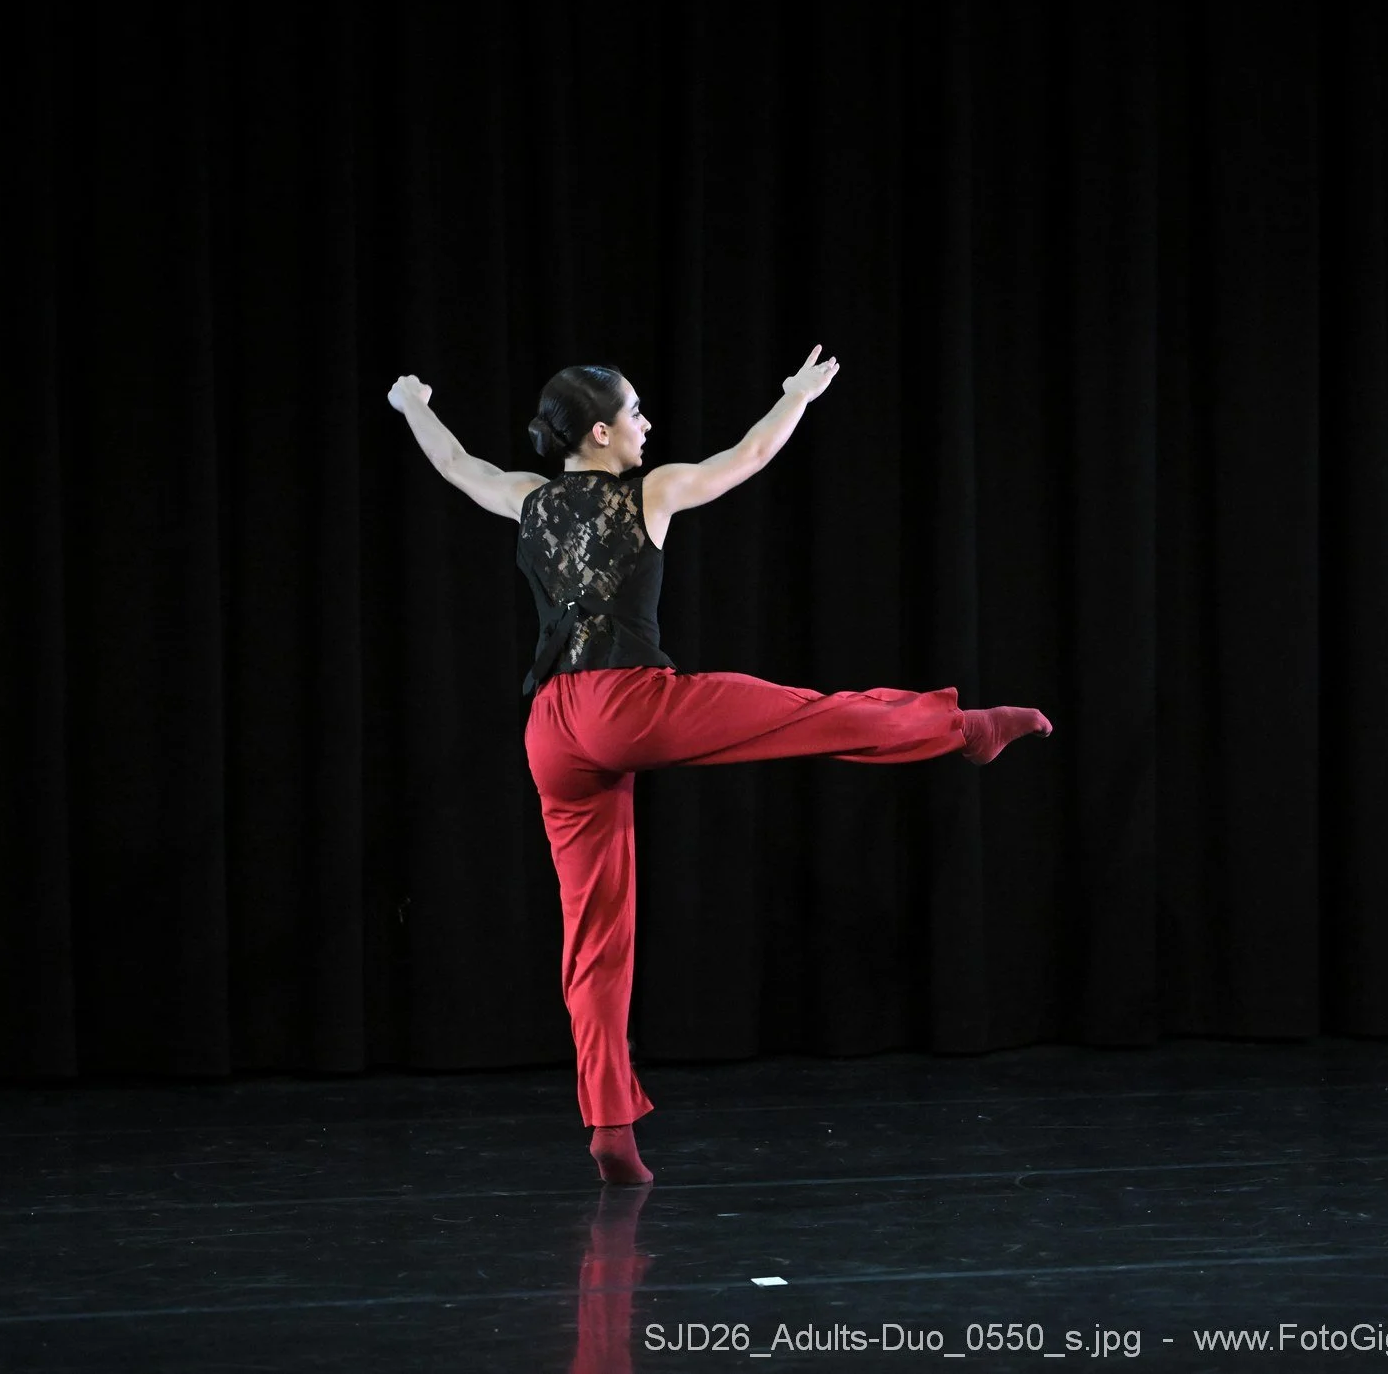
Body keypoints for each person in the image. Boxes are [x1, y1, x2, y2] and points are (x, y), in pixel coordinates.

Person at [388, 348, 1050, 1180]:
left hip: (550, 727)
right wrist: (795, 396)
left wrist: (413, 403)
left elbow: (456, 464)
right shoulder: (650, 490)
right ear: (602, 431)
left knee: (593, 934)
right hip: (625, 704)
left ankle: (610, 1124)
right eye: (636, 412)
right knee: (808, 714)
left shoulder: (528, 498)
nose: (647, 423)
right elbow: (751, 455)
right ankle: (962, 729)